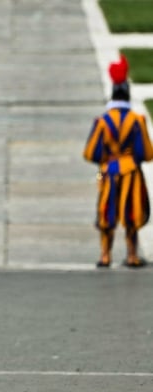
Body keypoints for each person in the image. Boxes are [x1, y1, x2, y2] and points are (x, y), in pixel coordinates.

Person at [83, 54, 153, 268]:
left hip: (109, 171)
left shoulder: (103, 122)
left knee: (106, 213)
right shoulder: (137, 120)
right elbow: (147, 153)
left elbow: (90, 152)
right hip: (131, 171)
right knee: (131, 214)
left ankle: (105, 255)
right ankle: (132, 254)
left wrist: (106, 159)